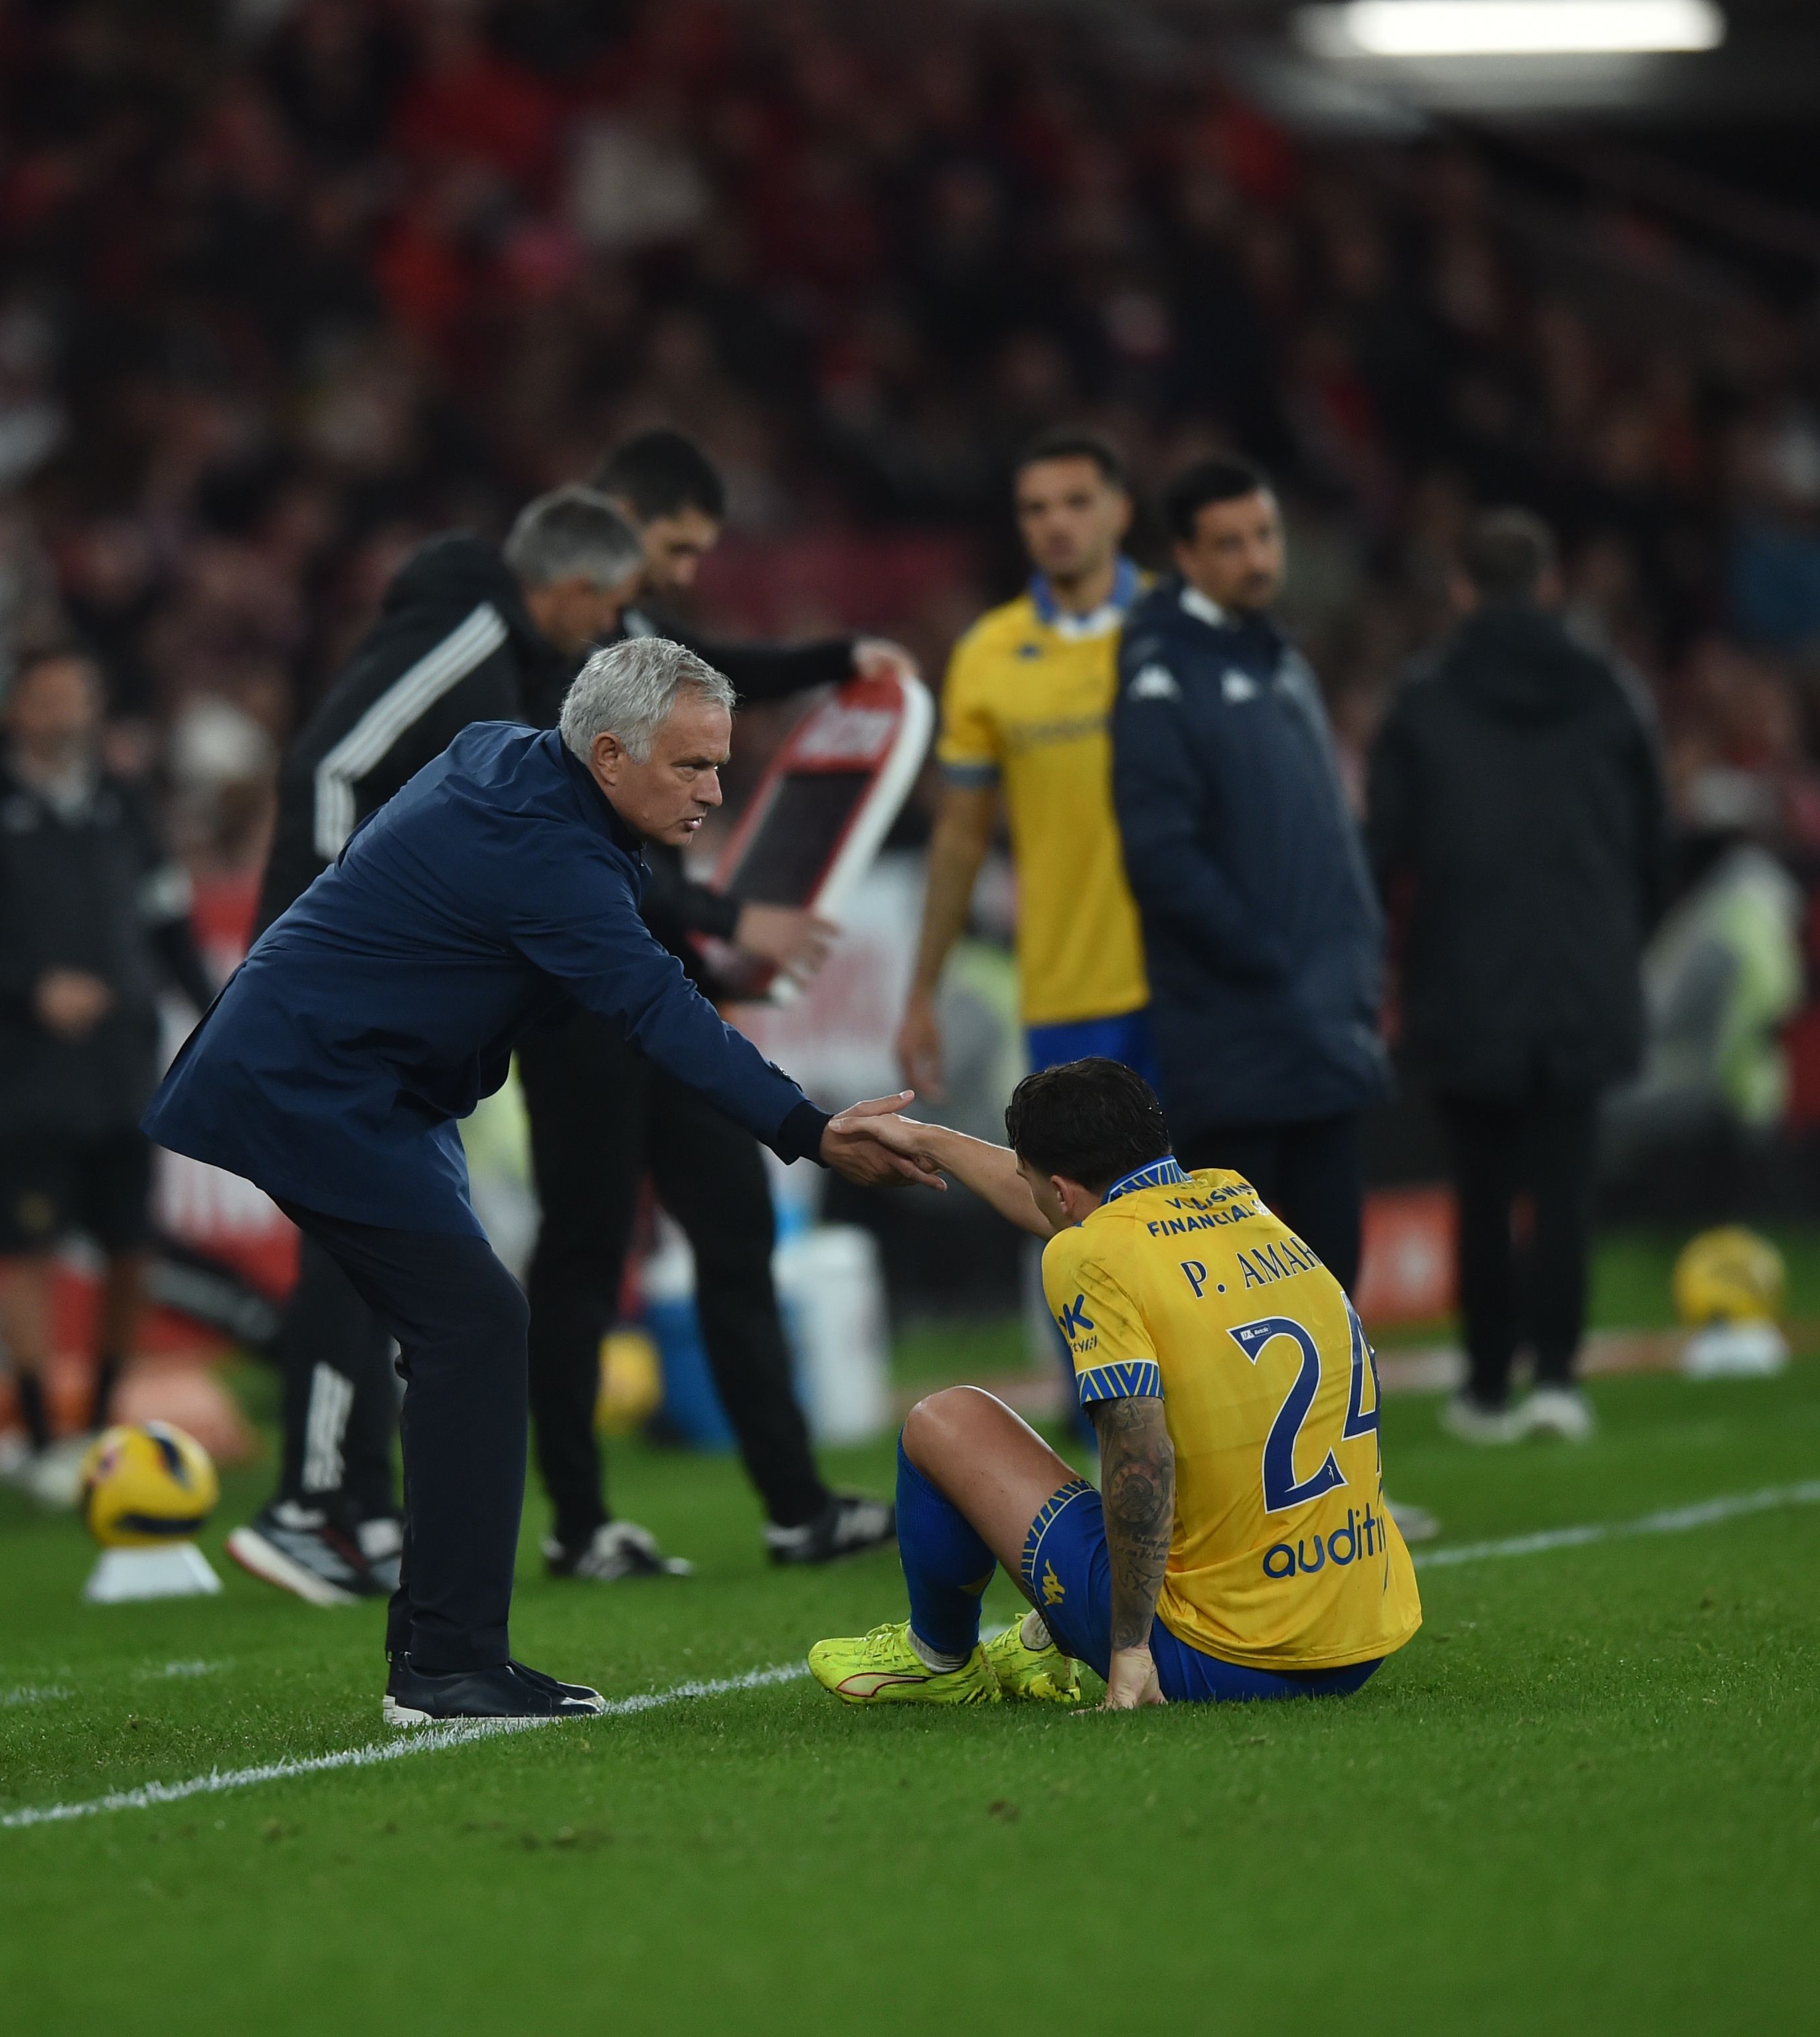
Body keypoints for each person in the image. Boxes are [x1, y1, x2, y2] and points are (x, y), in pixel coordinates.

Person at [147, 638, 944, 1723]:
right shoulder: (547, 854)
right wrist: (806, 1128)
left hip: (376, 1090)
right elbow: (657, 1012)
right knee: (472, 1327)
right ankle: (442, 1661)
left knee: (466, 1332)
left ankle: (444, 1650)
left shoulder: (509, 758)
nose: (716, 791)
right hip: (315, 1086)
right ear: (608, 756)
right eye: (691, 767)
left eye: (718, 765)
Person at [224, 488, 645, 1607]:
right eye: (607, 604)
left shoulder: (504, 651)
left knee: (381, 1225)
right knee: (353, 1221)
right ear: (564, 587)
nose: (611, 626)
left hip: (388, 970)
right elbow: (327, 764)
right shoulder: (468, 631)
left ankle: (354, 1501)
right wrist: (319, 943)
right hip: (344, 968)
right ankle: (310, 1503)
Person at [518, 428, 913, 1582]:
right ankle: (578, 1524)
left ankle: (796, 1507)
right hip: (577, 1003)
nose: (686, 570)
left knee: (736, 1232)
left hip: (665, 991)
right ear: (622, 522)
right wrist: (735, 920)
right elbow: (587, 849)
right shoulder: (556, 662)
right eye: (676, 546)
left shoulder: (633, 637)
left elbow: (723, 659)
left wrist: (842, 655)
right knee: (586, 1256)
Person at [807, 1058, 1420, 1708]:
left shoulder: (1086, 1254)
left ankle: (939, 1659)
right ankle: (1046, 1637)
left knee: (943, 1420)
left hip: (1217, 1657)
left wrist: (1129, 1650)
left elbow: (1140, 1451)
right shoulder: (1236, 1200)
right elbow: (1073, 1204)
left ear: (1062, 1193)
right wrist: (929, 1140)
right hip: (1361, 1637)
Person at [1369, 512, 1665, 1441]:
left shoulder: (1423, 700)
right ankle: (1560, 1378)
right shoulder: (1612, 689)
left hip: (1464, 975)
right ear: (1548, 585)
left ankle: (1488, 1385)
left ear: (1461, 589)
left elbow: (1382, 854)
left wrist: (1395, 963)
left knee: (1483, 1188)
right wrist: (1616, 942)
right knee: (1567, 1185)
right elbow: (1656, 846)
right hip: (1583, 974)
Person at [0, 644, 218, 1500]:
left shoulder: (122, 802)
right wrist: (28, 988)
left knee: (130, 1250)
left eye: (75, 697)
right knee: (27, 1250)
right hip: (25, 1074)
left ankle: (101, 1420)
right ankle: (44, 1429)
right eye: (45, 699)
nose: (62, 715)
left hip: (122, 1065)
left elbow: (167, 917)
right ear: (17, 709)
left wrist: (220, 1011)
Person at [1110, 457, 1386, 1286]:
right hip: (1236, 1034)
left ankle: (1333, 1425)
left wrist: (1351, 962)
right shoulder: (1160, 676)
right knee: (1252, 1289)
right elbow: (1158, 856)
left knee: (1334, 1271)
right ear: (1185, 558)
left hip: (1318, 1021)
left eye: (1264, 535)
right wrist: (1263, 955)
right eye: (1229, 544)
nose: (1257, 558)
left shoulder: (1279, 662)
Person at [899, 426, 1156, 1098]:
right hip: (1065, 991)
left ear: (1119, 510)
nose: (1055, 524)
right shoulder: (986, 654)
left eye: (1075, 501)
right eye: (1035, 509)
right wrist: (921, 991)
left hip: (1189, 985)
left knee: (1214, 1198)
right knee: (1089, 1202)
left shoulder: (1180, 629)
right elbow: (960, 835)